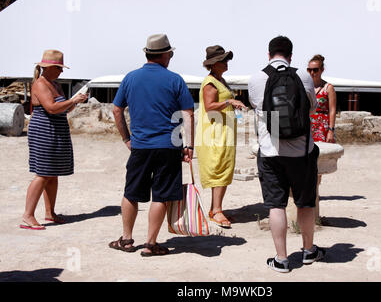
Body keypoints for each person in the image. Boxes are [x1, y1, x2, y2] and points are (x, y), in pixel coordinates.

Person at [109, 34, 194, 256]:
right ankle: (150, 243)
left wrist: (126, 138)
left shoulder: (131, 78)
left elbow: (117, 109)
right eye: (171, 54)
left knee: (131, 192)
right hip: (168, 145)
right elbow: (188, 114)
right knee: (161, 195)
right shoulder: (175, 79)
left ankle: (127, 240)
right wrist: (189, 145)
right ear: (164, 54)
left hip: (140, 146)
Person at [248, 36, 325, 273]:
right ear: (290, 55)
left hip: (271, 152)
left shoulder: (257, 78)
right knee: (305, 203)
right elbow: (312, 107)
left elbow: (258, 108)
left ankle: (281, 259)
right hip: (302, 151)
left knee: (276, 205)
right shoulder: (302, 76)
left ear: (269, 54)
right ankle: (309, 250)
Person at [22, 50, 88, 230]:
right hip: (44, 130)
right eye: (58, 68)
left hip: (56, 130)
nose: (61, 72)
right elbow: (51, 108)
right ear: (49, 68)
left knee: (52, 173)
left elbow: (63, 109)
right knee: (43, 173)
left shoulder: (55, 84)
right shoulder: (41, 84)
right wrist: (72, 100)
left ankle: (50, 212)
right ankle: (28, 215)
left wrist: (75, 102)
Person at [195, 45, 246, 228]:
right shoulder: (210, 82)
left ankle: (216, 208)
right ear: (214, 63)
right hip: (214, 132)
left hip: (223, 130)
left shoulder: (220, 80)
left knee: (224, 166)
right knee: (219, 167)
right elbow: (209, 106)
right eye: (223, 60)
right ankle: (216, 210)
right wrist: (229, 101)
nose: (226, 63)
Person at [307, 54, 337, 224]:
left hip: (322, 126)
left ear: (322, 70)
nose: (312, 73)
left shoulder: (328, 88)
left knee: (318, 162)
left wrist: (331, 130)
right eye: (309, 70)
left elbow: (332, 110)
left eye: (315, 70)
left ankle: (315, 191)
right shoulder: (306, 87)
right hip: (308, 126)